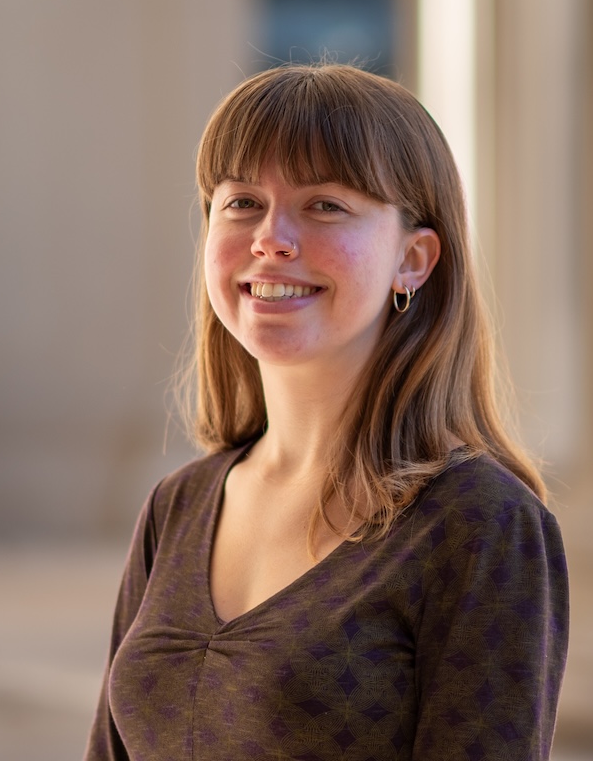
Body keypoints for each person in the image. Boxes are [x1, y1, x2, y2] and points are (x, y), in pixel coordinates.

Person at [84, 63, 568, 761]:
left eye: (325, 205)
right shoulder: (178, 507)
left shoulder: (482, 526)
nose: (271, 238)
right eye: (243, 202)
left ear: (414, 259)